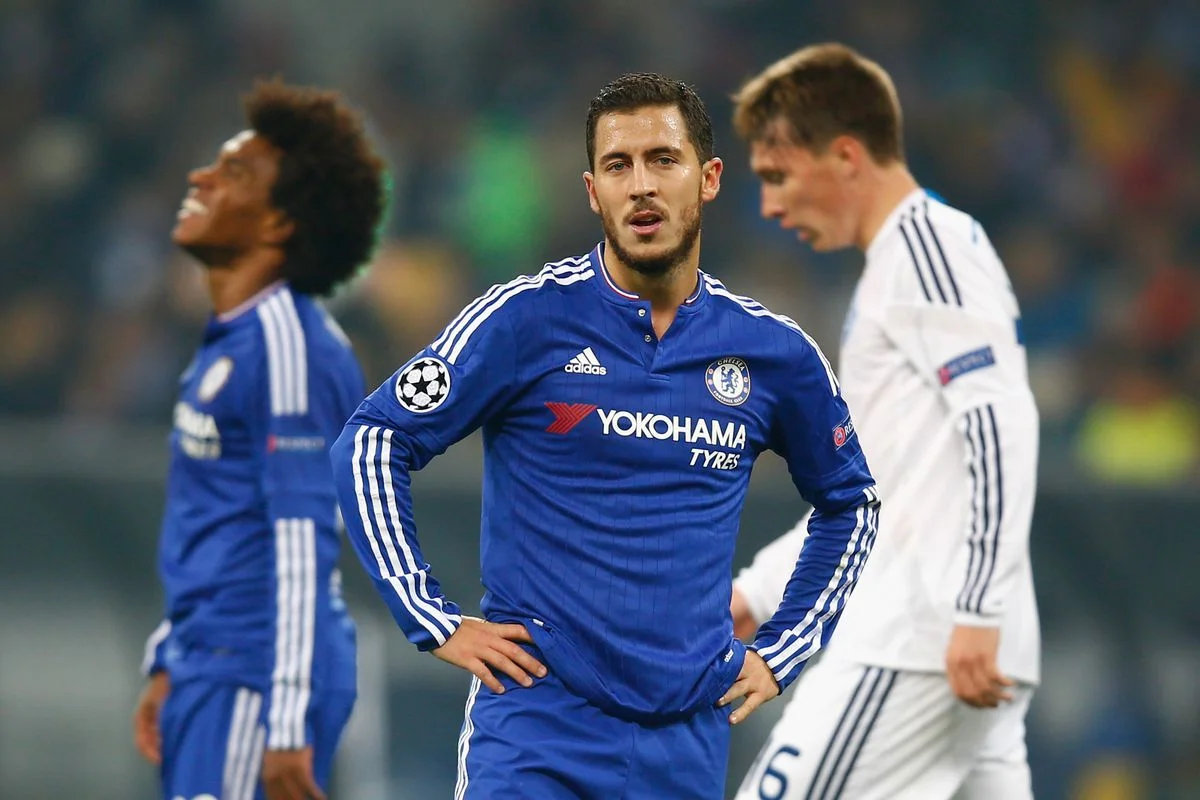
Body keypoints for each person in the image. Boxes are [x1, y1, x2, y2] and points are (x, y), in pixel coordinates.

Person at [329, 72, 880, 799]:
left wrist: (783, 652)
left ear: (709, 178)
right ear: (594, 192)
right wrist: (430, 616)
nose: (640, 185)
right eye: (618, 166)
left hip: (685, 744)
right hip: (536, 730)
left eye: (663, 160)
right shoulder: (526, 320)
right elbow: (372, 441)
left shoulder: (774, 353)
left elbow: (851, 502)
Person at [728, 43, 1040, 800]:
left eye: (778, 175)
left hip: (921, 636)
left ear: (844, 156)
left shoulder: (926, 252)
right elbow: (882, 492)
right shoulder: (895, 269)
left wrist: (976, 607)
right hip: (952, 636)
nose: (768, 206)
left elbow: (1000, 426)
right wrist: (760, 592)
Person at [131, 79, 387, 800]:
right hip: (210, 662)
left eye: (233, 172)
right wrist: (169, 654)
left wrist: (286, 717)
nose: (200, 177)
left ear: (277, 224)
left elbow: (304, 539)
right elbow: (217, 517)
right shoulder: (231, 340)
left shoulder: (288, 347)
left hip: (256, 672)